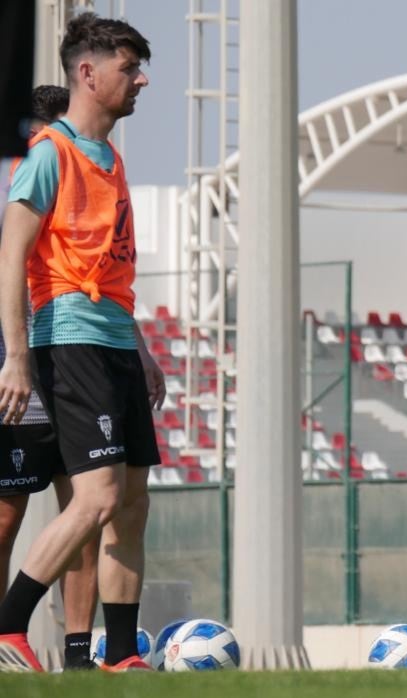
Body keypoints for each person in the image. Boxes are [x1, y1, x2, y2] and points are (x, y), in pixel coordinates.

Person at [0, 13, 163, 672]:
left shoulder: (113, 158)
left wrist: (143, 347)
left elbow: (115, 268)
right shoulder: (50, 155)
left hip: (117, 344)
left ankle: (120, 656)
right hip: (68, 342)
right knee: (92, 499)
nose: (142, 79)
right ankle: (9, 629)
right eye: (130, 67)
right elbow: (11, 257)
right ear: (88, 74)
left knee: (130, 505)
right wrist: (17, 354)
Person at [0, 84, 102, 671]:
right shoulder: (32, 174)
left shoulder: (88, 180)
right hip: (23, 364)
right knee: (7, 510)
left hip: (76, 361)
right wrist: (14, 358)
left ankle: (79, 656)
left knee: (84, 509)